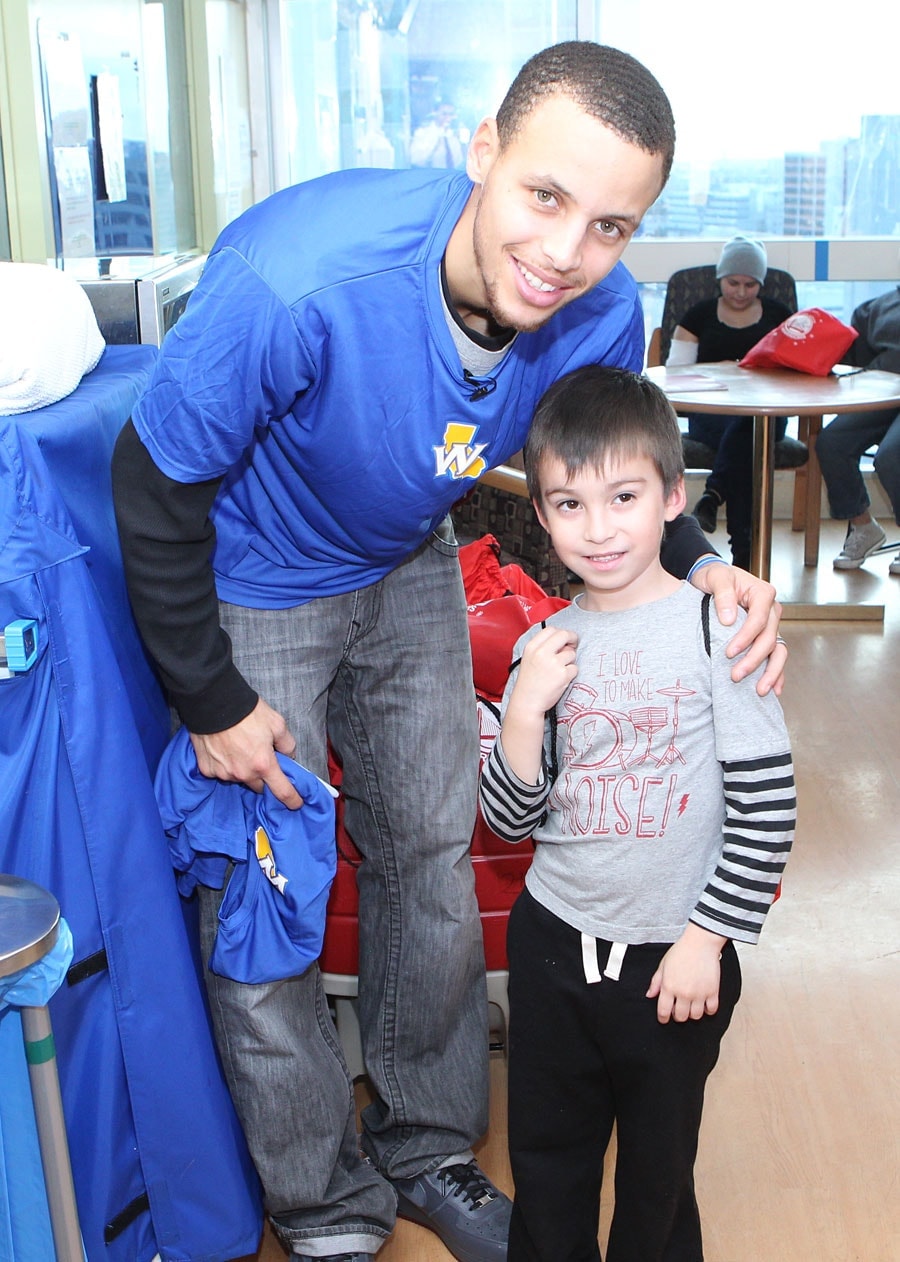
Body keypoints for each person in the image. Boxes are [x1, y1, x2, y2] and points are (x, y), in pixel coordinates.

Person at [111, 42, 787, 1262]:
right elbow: (151, 481)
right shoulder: (299, 275)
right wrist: (209, 694)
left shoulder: (598, 310)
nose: (567, 251)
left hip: (409, 556)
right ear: (482, 152)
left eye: (611, 224)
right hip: (258, 582)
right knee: (269, 895)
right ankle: (321, 1199)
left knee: (429, 852)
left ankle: (427, 1145)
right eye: (544, 195)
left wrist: (706, 565)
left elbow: (602, 472)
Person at [479, 365, 795, 1262]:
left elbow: (767, 807)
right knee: (547, 1167)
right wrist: (526, 712)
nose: (599, 527)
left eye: (623, 496)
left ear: (672, 497)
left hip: (674, 961)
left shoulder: (715, 628)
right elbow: (510, 821)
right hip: (549, 951)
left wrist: (708, 938)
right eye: (569, 504)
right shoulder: (544, 642)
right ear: (539, 515)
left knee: (657, 1182)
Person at [667, 235, 803, 569]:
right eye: (733, 283)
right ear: (720, 279)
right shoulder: (698, 315)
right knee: (747, 448)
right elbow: (675, 374)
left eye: (750, 284)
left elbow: (798, 370)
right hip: (711, 414)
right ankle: (745, 555)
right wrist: (722, 371)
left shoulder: (779, 315)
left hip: (767, 412)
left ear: (761, 283)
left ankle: (713, 497)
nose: (740, 292)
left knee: (750, 424)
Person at [815, 282, 900, 574]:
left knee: (891, 456)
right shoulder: (879, 306)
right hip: (883, 395)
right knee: (831, 442)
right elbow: (853, 359)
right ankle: (863, 527)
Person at [409, 99, 466, 169]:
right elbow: (415, 160)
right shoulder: (422, 133)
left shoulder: (453, 136)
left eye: (451, 114)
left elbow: (459, 161)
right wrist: (435, 140)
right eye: (444, 114)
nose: (448, 118)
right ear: (435, 113)